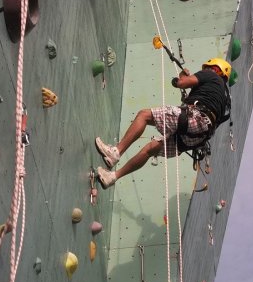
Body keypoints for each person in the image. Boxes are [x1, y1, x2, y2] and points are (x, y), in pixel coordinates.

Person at [95, 57, 232, 189]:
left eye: (209, 68)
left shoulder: (211, 75)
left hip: (194, 119)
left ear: (215, 69)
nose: (207, 69)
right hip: (198, 137)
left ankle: (115, 152)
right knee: (151, 149)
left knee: (143, 116)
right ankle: (112, 177)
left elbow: (180, 83)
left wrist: (182, 76)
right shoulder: (224, 99)